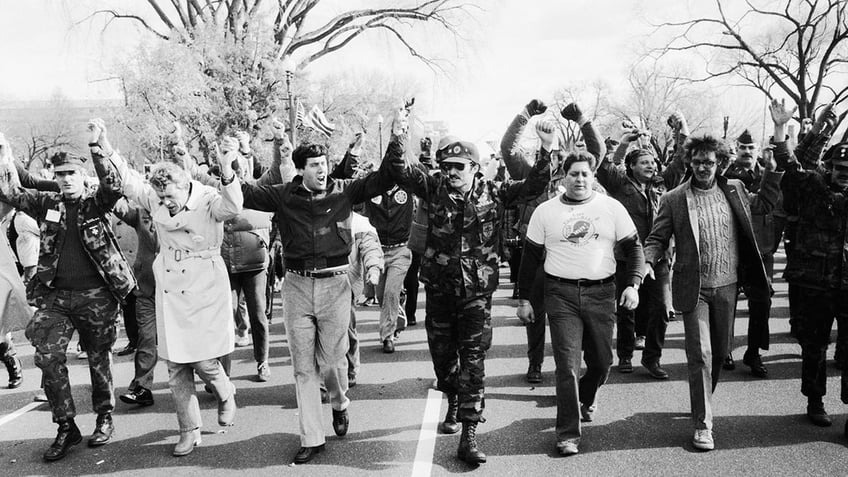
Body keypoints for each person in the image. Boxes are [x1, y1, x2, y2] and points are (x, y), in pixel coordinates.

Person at [238, 105, 409, 465]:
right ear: (300, 170)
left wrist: (396, 137)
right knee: (303, 368)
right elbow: (246, 195)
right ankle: (312, 438)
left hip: (336, 285)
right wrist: (226, 169)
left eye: (324, 163)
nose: (321, 169)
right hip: (297, 288)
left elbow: (383, 178)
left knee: (332, 363)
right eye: (314, 164)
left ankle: (339, 401)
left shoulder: (345, 192)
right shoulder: (283, 195)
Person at [397, 121, 553, 466]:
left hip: (477, 293)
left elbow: (535, 185)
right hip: (439, 290)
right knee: (442, 359)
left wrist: (546, 148)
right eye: (446, 166)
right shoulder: (433, 187)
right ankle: (451, 395)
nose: (451, 172)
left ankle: (469, 432)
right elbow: (399, 170)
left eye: (458, 167)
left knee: (473, 361)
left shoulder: (495, 192)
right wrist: (398, 134)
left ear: (474, 168)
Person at [92, 119, 242, 457]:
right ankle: (189, 430)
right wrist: (106, 146)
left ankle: (225, 391)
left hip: (204, 283)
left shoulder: (207, 199)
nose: (166, 203)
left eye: (171, 196)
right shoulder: (156, 198)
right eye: (160, 197)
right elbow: (130, 181)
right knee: (176, 367)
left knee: (204, 361)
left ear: (185, 184)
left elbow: (232, 208)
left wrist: (227, 170)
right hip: (171, 286)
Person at [0, 131, 136, 462]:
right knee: (47, 357)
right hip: (55, 297)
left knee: (97, 358)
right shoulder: (47, 203)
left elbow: (115, 185)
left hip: (97, 296)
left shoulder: (96, 200)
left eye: (71, 173)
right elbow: (10, 191)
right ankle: (66, 426)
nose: (66, 180)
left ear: (82, 174)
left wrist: (97, 148)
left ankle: (104, 416)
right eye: (60, 175)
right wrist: (4, 152)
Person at [643, 133, 780, 451]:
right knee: (700, 355)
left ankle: (701, 400)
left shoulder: (735, 188)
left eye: (709, 161)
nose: (703, 167)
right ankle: (703, 425)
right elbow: (657, 237)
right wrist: (649, 260)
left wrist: (772, 172)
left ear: (719, 164)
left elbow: (764, 204)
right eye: (698, 161)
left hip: (728, 286)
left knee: (719, 353)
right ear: (690, 163)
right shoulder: (675, 198)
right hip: (695, 288)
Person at [517, 148, 643, 456]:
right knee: (567, 366)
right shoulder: (545, 212)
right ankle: (568, 434)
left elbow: (634, 248)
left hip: (601, 294)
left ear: (594, 177)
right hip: (560, 294)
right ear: (564, 177)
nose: (580, 179)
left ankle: (586, 397)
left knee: (602, 362)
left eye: (585, 173)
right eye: (574, 173)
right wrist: (524, 300)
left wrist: (633, 285)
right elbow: (530, 259)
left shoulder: (611, 207)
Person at [500, 99, 606, 385]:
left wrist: (583, 119)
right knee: (534, 312)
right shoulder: (528, 172)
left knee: (576, 315)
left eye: (560, 154)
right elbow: (507, 149)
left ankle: (577, 366)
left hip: (572, 255)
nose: (556, 159)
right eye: (552, 153)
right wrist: (524, 115)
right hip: (535, 254)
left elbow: (597, 152)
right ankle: (535, 362)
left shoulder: (576, 176)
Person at [772, 99, 848, 432]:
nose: (843, 176)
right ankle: (815, 400)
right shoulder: (813, 187)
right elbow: (794, 163)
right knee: (814, 346)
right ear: (829, 168)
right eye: (839, 170)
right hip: (814, 284)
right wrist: (816, 130)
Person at [597, 135, 671, 379]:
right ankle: (625, 355)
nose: (651, 166)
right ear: (631, 167)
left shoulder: (662, 186)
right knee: (626, 309)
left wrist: (681, 129)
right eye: (644, 162)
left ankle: (652, 358)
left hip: (657, 259)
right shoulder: (620, 186)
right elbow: (604, 166)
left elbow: (681, 163)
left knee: (660, 309)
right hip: (626, 258)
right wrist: (624, 143)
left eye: (653, 162)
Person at [332, 132, 413, 353]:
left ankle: (387, 336)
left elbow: (421, 169)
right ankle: (397, 315)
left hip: (401, 250)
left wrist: (401, 134)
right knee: (380, 296)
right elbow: (348, 177)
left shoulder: (408, 186)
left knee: (390, 293)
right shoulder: (372, 187)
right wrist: (354, 152)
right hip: (377, 249)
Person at [723, 129, 775, 377]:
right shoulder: (725, 173)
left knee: (762, 303)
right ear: (737, 148)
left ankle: (753, 352)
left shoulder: (768, 171)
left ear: (757, 149)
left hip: (761, 248)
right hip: (732, 246)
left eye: (751, 147)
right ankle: (726, 348)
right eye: (742, 147)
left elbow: (773, 203)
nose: (747, 151)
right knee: (726, 303)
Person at [113, 197, 159, 407]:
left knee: (191, 339)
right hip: (147, 289)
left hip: (181, 290)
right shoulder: (141, 213)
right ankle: (142, 387)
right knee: (146, 339)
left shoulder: (190, 210)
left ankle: (214, 378)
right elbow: (115, 202)